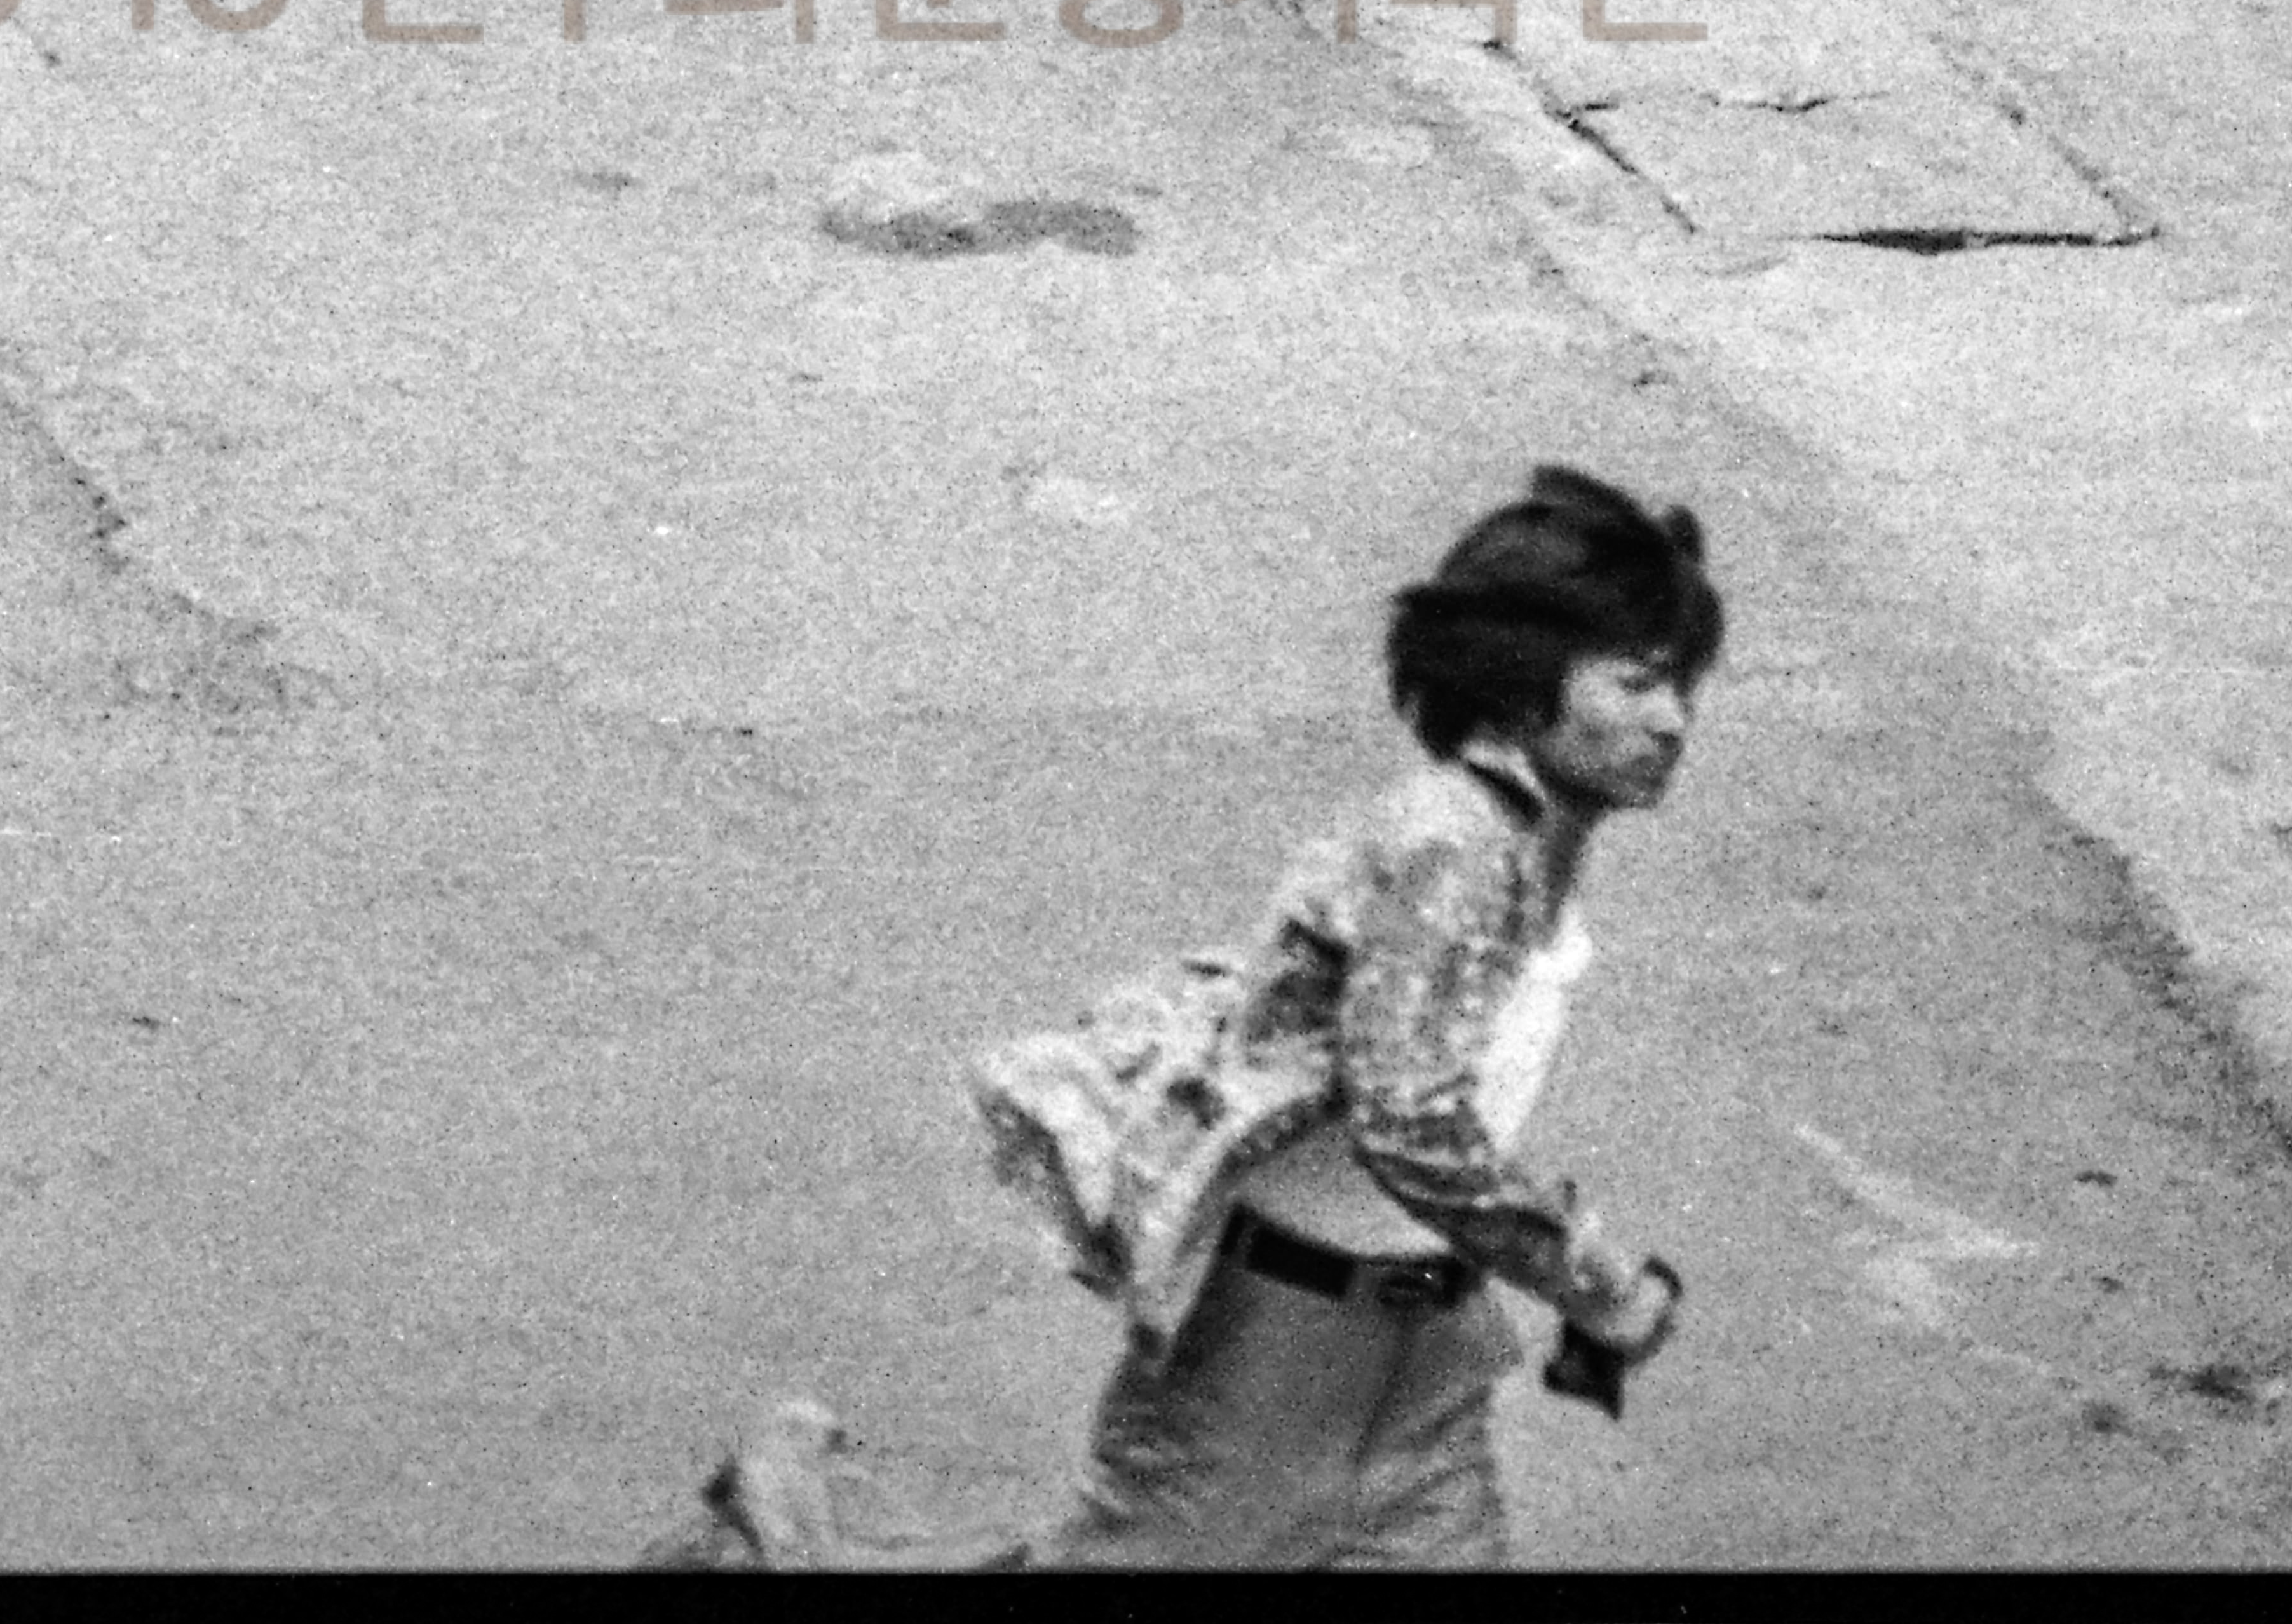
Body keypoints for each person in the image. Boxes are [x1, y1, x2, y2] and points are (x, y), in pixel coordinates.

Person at [668, 466, 1714, 1571]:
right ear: (1517, 684)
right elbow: (1407, 1116)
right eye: (1638, 683)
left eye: (1680, 685)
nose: (1672, 721)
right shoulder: (1454, 842)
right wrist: (1593, 1282)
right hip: (1271, 1361)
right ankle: (794, 1536)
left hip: (1422, 1363)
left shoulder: (1530, 837)